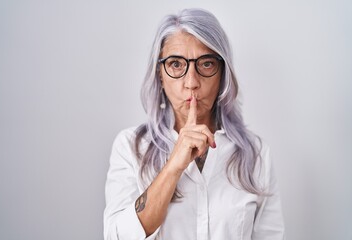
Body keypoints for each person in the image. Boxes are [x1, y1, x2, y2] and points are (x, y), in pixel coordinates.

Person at [104, 8, 285, 240]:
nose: (191, 83)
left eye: (207, 64)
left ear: (222, 74)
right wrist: (173, 167)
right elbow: (117, 236)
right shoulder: (130, 147)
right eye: (176, 64)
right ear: (160, 74)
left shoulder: (256, 154)